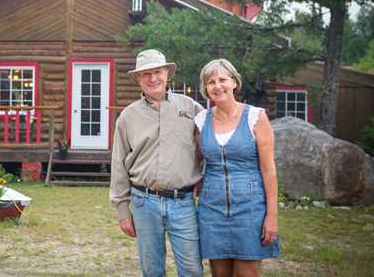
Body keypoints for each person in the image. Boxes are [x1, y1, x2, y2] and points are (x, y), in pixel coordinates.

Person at [110, 49, 204, 277]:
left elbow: (213, 142)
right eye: (146, 74)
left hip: (182, 202)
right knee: (152, 270)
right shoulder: (128, 117)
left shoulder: (190, 108)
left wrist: (205, 177)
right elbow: (118, 164)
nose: (153, 79)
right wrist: (123, 210)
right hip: (144, 202)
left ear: (167, 74)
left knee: (192, 269)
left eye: (157, 72)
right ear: (138, 79)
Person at [194, 59, 280, 277]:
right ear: (205, 89)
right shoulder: (202, 120)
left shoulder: (255, 117)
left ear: (234, 82)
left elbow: (269, 170)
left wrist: (272, 216)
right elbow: (193, 161)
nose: (217, 86)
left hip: (250, 210)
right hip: (212, 210)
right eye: (210, 82)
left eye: (222, 79)